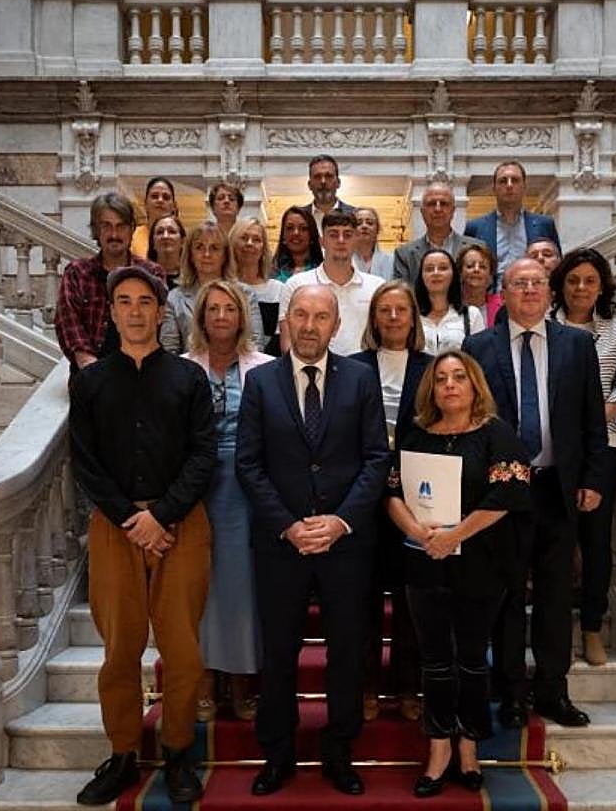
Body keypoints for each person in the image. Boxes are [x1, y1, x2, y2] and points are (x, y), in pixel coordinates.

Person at [69, 265, 217, 806]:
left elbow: (204, 455)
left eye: (144, 302)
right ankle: (124, 752)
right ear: (111, 312)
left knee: (181, 650)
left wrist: (164, 515)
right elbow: (83, 462)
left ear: (160, 311)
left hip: (182, 525)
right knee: (120, 650)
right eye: (124, 302)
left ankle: (179, 751)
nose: (135, 311)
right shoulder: (91, 382)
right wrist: (131, 519)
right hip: (115, 528)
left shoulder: (189, 378)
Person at [236, 284, 390, 797]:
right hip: (282, 544)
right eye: (299, 314)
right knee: (279, 653)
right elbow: (249, 464)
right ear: (286, 321)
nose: (308, 325)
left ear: (335, 325)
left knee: (347, 652)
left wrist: (341, 521)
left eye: (319, 316)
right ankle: (277, 754)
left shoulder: (361, 380)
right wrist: (289, 524)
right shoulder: (260, 382)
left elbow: (375, 460)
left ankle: (339, 750)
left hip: (346, 546)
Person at [462, 257, 610, 729]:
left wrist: (592, 479)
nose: (529, 290)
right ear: (502, 293)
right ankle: (509, 693)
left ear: (550, 292)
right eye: (519, 283)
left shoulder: (579, 345)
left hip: (557, 488)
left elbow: (592, 420)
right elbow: (471, 424)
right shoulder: (478, 346)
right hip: (502, 491)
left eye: (537, 283)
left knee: (552, 595)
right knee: (504, 595)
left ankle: (552, 690)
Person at [386, 350, 532, 798]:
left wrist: (456, 535)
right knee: (433, 659)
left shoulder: (496, 433)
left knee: (470, 658)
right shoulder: (414, 435)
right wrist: (415, 528)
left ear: (474, 386)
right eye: (442, 378)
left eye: (459, 377)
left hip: (481, 563)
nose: (450, 385)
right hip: (423, 560)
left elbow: (509, 493)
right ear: (431, 388)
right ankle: (438, 748)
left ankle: (468, 746)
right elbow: (392, 493)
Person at [183, 280, 273, 721]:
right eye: (212, 309)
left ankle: (240, 678)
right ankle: (202, 676)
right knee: (199, 585)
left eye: (229, 309)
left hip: (247, 490)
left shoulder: (265, 367)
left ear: (242, 316)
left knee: (240, 588)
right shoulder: (182, 368)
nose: (221, 316)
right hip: (194, 490)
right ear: (200, 317)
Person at [549, 248, 616, 665]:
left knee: (596, 542)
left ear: (601, 286)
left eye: (589, 281)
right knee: (555, 542)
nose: (581, 288)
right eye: (572, 280)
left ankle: (591, 629)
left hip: (604, 445)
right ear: (561, 285)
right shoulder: (546, 326)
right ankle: (552, 627)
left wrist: (592, 416)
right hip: (554, 448)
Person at [350, 281, 432, 724]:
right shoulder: (353, 367)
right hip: (363, 498)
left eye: (402, 309)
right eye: (386, 310)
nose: (394, 317)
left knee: (409, 600)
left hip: (416, 501)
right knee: (362, 600)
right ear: (374, 318)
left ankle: (408, 686)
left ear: (413, 317)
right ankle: (364, 687)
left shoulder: (433, 368)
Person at [56, 192, 167, 373]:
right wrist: (93, 372)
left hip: (141, 374)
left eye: (121, 226)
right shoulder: (77, 273)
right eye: (106, 226)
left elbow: (156, 325)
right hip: (90, 374)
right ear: (96, 230)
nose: (114, 234)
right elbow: (68, 324)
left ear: (132, 229)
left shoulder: (152, 273)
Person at [278, 209, 383, 356]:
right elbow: (287, 343)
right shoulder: (296, 284)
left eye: (347, 235)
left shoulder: (377, 287)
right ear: (322, 241)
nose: (341, 240)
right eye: (333, 234)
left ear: (356, 239)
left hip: (363, 373)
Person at [159, 221, 262, 355]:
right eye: (199, 247)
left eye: (214, 248)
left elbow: (255, 344)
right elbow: (169, 351)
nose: (206, 254)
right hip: (188, 372)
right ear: (190, 254)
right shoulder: (175, 298)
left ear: (225, 255)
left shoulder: (245, 294)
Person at [463, 161, 561, 288]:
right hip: (491, 300)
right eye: (503, 181)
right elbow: (464, 269)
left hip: (532, 296)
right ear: (494, 188)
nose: (509, 185)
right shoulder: (475, 227)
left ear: (524, 187)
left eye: (515, 180)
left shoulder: (544, 224)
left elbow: (558, 268)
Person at [392, 182, 482, 283]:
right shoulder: (404, 255)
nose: (438, 209)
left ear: (453, 211)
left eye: (444, 204)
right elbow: (403, 296)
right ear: (422, 211)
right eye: (431, 204)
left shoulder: (477, 248)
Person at [414, 250, 486, 355]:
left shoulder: (471, 314)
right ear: (421, 276)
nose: (436, 273)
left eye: (443, 268)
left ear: (453, 274)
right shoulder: (411, 316)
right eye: (429, 269)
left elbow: (480, 358)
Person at [231, 217, 283, 355]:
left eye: (256, 240)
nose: (250, 243)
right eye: (244, 238)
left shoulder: (278, 290)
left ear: (263, 248)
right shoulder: (223, 288)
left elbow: (280, 337)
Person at [301, 153, 355, 236]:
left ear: (338, 183)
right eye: (317, 176)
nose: (323, 181)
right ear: (309, 184)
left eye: (329, 176)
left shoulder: (355, 215)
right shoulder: (300, 217)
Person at [131, 176, 177, 258]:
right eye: (154, 196)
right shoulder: (132, 236)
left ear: (174, 206)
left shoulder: (181, 239)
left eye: (166, 197)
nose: (160, 200)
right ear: (145, 203)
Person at [273, 205, 323, 282]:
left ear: (312, 235)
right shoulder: (270, 273)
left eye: (303, 228)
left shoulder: (323, 272)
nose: (296, 233)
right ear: (283, 235)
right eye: (290, 228)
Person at [459, 242, 502, 327]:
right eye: (470, 266)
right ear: (460, 273)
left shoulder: (503, 307)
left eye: (482, 267)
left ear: (490, 276)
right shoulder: (448, 305)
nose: (476, 270)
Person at [352, 205, 394, 280]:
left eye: (370, 223)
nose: (364, 226)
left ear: (377, 229)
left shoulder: (391, 260)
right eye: (358, 223)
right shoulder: (345, 260)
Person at [147, 213, 186, 290]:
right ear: (153, 242)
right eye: (160, 232)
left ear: (182, 241)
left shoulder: (193, 278)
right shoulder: (144, 277)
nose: (165, 236)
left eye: (172, 231)